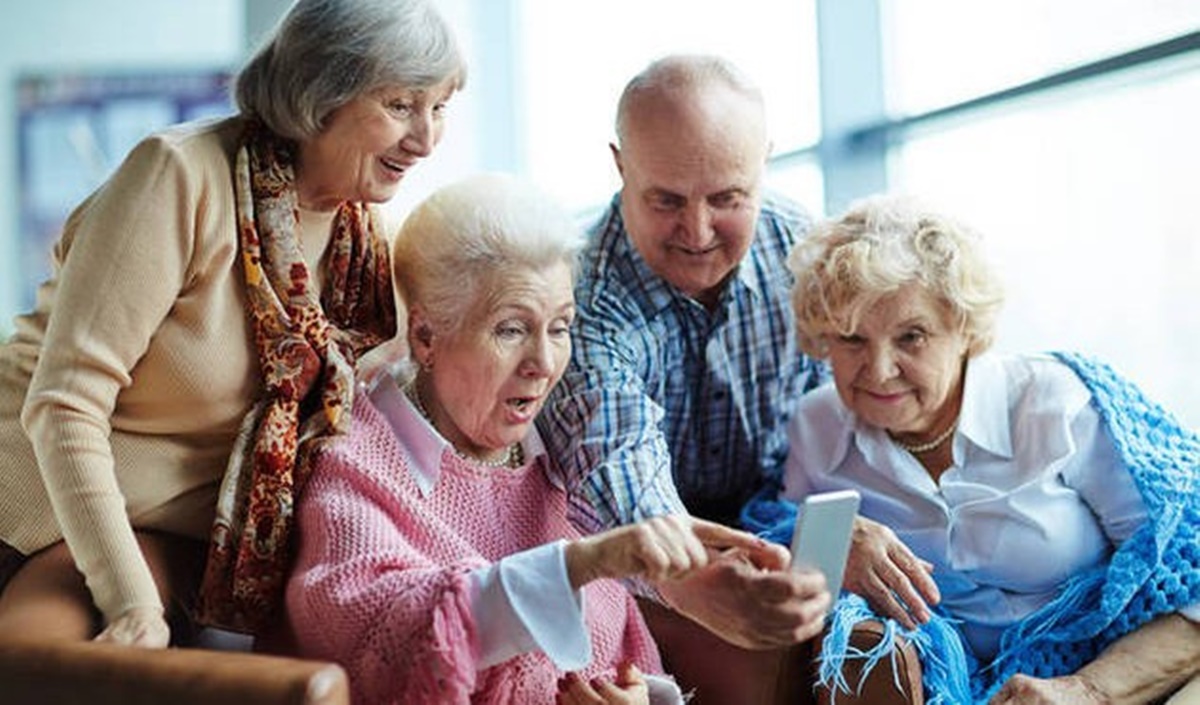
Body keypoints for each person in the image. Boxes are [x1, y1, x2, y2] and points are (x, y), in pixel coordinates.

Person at [0, 0, 466, 648]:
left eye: (439, 107)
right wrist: (133, 607)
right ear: (320, 91)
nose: (425, 138)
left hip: (183, 546)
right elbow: (63, 404)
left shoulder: (366, 247)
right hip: (40, 513)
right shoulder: (178, 175)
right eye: (401, 105)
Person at [284, 173, 779, 704]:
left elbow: (623, 656)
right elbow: (386, 631)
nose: (543, 365)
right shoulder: (357, 460)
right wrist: (584, 562)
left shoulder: (561, 454)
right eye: (511, 329)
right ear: (427, 336)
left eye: (561, 327)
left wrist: (644, 697)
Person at [755, 193, 1200, 703]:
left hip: (1125, 674)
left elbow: (1192, 567)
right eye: (852, 339)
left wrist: (1088, 691)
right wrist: (831, 546)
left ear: (964, 329)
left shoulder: (1055, 403)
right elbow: (774, 554)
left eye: (912, 337)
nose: (879, 371)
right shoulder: (816, 427)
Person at [536, 53, 832, 701]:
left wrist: (831, 529)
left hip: (781, 517)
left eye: (728, 198)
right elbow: (614, 459)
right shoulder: (581, 297)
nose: (697, 232)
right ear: (620, 167)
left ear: (765, 163)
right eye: (666, 199)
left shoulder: (805, 250)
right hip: (645, 560)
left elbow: (852, 416)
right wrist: (690, 577)